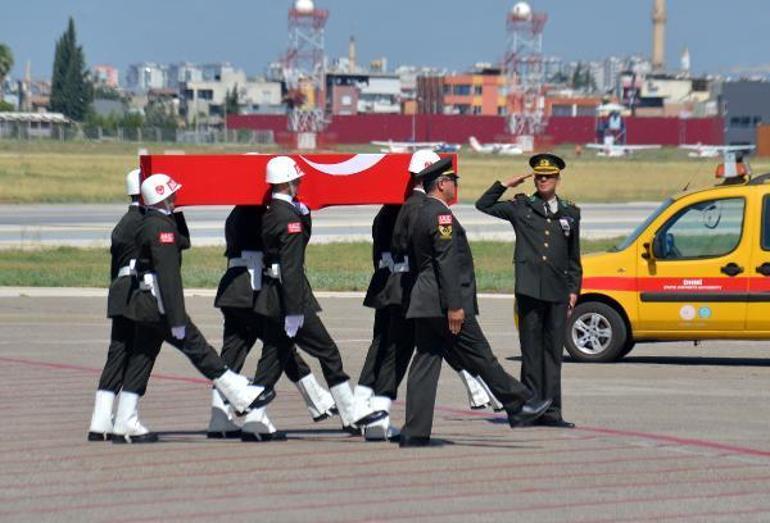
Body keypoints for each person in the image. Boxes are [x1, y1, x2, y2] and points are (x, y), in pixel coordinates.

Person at [400, 158, 552, 447]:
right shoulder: (441, 217)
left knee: (426, 363)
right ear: (441, 184)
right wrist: (455, 306)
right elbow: (446, 263)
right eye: (453, 180)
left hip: (425, 302)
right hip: (444, 304)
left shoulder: (421, 212)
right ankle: (519, 404)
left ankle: (414, 431)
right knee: (482, 355)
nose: (456, 185)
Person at [115, 173, 273, 443]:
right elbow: (168, 277)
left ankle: (124, 420)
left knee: (141, 359)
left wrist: (175, 213)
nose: (177, 198)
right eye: (172, 196)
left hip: (144, 303)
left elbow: (183, 242)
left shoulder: (152, 222)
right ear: (163, 197)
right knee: (200, 350)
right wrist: (177, 318)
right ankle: (239, 393)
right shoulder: (160, 230)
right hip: (161, 304)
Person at [357, 150, 500, 441]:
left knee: (390, 348)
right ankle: (372, 411)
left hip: (390, 287)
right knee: (406, 350)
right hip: (407, 290)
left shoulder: (394, 208)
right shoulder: (418, 208)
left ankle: (367, 408)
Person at [252, 156, 386, 436]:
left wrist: (304, 215)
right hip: (289, 299)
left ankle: (254, 416)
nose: (299, 183)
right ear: (288, 183)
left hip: (272, 297)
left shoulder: (271, 212)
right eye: (297, 180)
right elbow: (291, 266)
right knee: (329, 352)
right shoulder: (288, 219)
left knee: (272, 359)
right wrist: (294, 310)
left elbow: (295, 247)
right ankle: (350, 413)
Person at [209, 204, 336, 439]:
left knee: (233, 353)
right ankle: (259, 415)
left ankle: (219, 415)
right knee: (279, 344)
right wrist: (303, 215)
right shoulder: (266, 216)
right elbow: (291, 245)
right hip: (252, 289)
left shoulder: (235, 214)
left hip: (233, 289)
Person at [475, 153, 582, 428]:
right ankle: (530, 409)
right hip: (530, 291)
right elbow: (483, 205)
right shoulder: (520, 207)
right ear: (534, 178)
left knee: (553, 355)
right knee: (531, 354)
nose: (543, 180)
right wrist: (504, 184)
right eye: (539, 176)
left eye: (549, 176)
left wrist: (574, 290)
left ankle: (553, 412)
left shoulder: (570, 212)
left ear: (558, 179)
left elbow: (573, 258)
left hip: (558, 292)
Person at [87, 169, 144, 441]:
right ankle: (126, 417)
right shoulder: (145, 221)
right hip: (137, 293)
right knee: (140, 352)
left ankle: (100, 419)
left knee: (117, 353)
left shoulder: (123, 223)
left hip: (119, 291)